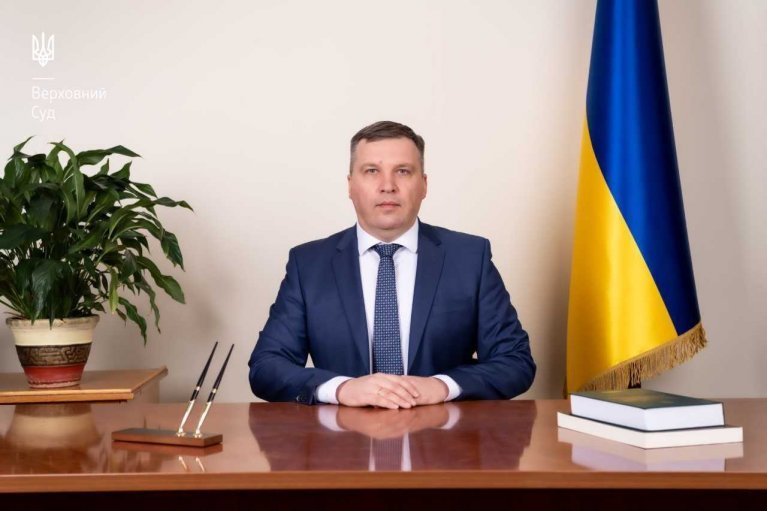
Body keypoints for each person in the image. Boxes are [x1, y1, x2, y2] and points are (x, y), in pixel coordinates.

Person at [248, 121, 535, 408]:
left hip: (442, 432)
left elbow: (515, 362)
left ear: (424, 185)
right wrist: (341, 389)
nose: (388, 186)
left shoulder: (469, 257)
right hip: (341, 434)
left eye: (403, 171)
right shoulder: (309, 264)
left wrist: (442, 386)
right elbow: (266, 367)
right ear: (350, 185)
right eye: (372, 171)